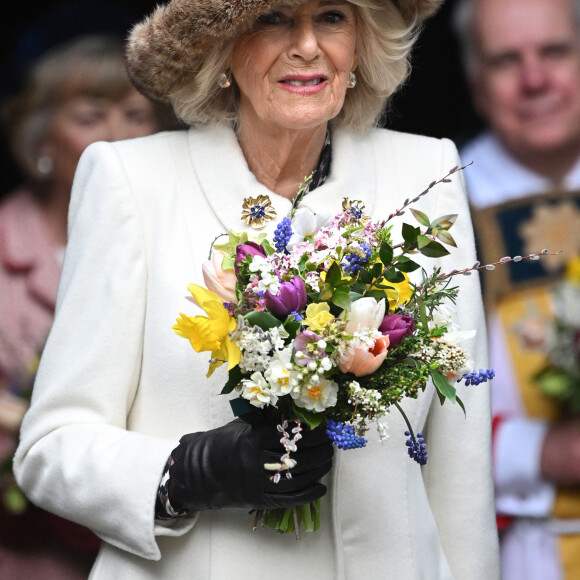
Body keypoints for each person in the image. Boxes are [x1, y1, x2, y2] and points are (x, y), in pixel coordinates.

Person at [13, 0, 499, 577]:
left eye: (332, 17)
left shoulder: (427, 174)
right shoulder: (131, 182)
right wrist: (191, 472)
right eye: (273, 18)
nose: (308, 46)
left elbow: (459, 462)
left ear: (362, 41)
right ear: (219, 48)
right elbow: (50, 447)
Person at [0, 34, 169, 578]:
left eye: (135, 115)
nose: (116, 138)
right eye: (90, 117)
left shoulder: (184, 247)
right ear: (40, 137)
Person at [452, 0, 580, 578]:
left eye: (555, 52)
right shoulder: (441, 211)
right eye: (507, 61)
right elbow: (414, 419)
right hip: (522, 554)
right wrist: (544, 451)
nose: (536, 80)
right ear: (477, 86)